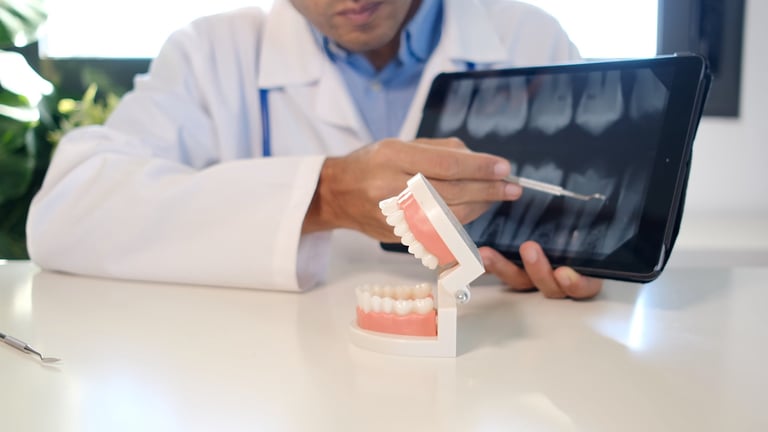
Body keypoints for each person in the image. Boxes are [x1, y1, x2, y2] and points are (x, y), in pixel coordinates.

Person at [26, 0, 602, 299]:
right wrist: (323, 196)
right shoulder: (212, 52)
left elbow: (597, 219)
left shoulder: (529, 38)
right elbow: (68, 213)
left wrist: (588, 262)